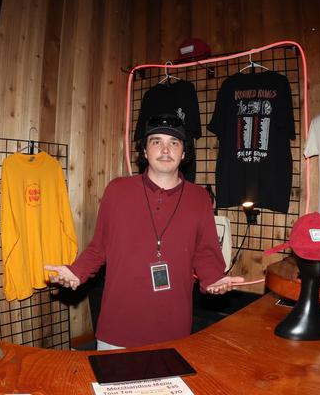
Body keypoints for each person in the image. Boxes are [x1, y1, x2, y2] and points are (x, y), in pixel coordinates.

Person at [45, 113, 244, 350]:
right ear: (145, 152)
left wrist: (214, 279)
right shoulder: (117, 190)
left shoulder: (199, 198)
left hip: (174, 329)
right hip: (117, 327)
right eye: (156, 141)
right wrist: (76, 272)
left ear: (184, 153)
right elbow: (99, 247)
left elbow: (206, 252)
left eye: (174, 142)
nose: (165, 149)